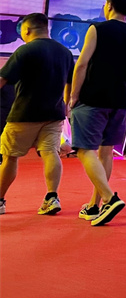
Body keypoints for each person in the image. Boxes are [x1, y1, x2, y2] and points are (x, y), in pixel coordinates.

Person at [69, 0, 126, 226]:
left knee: (84, 149)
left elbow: (82, 64)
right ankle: (94, 205)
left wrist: (73, 96)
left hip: (92, 98)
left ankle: (110, 199)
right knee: (106, 152)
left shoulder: (97, 29)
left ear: (109, 5)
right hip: (119, 101)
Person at [0, 13, 73, 216]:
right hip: (54, 113)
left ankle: (0, 201)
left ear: (27, 30)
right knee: (50, 153)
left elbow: (2, 79)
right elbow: (70, 82)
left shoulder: (25, 50)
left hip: (24, 113)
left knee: (10, 156)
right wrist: (66, 105)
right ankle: (52, 197)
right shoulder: (65, 52)